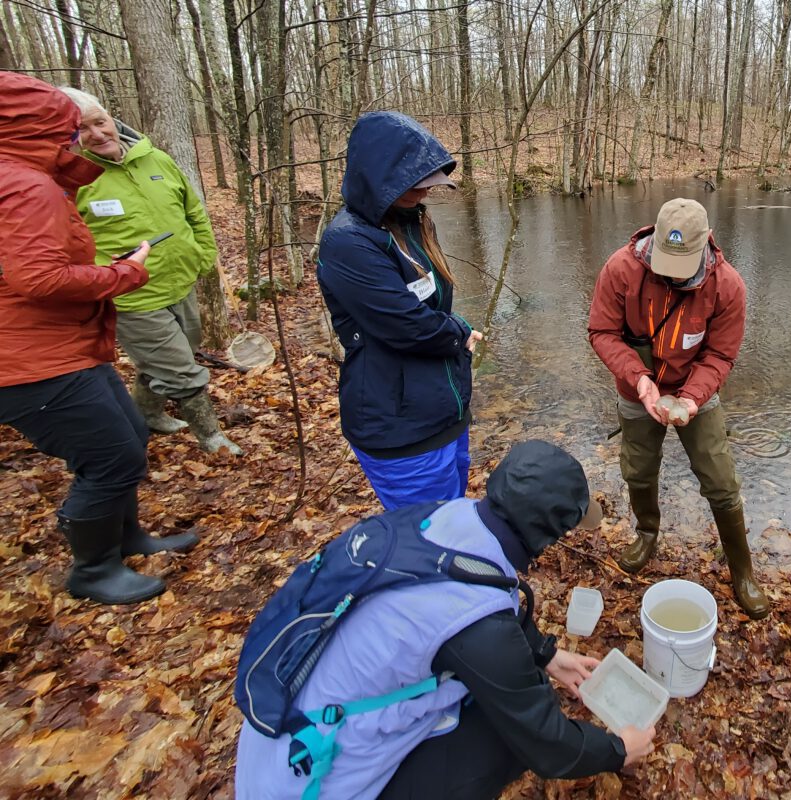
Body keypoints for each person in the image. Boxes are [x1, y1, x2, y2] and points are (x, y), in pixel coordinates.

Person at [235, 439, 656, 799]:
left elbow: (488, 600)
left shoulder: (443, 519)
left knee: (491, 693)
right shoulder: (480, 628)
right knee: (506, 739)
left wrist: (547, 657)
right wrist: (618, 748)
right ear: (547, 534)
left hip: (278, 728)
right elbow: (547, 744)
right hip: (309, 778)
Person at [0, 73, 196, 606]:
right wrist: (122, 275)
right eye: (69, 133)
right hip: (31, 361)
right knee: (111, 458)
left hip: (59, 347)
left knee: (130, 434)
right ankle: (92, 568)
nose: (78, 142)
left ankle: (126, 536)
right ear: (37, 132)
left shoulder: (30, 178)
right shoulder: (26, 186)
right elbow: (37, 280)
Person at [587, 198, 769, 619]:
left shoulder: (728, 286)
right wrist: (639, 379)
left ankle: (742, 570)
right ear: (653, 236)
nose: (670, 273)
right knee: (637, 468)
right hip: (638, 390)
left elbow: (721, 357)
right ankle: (647, 533)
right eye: (666, 261)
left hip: (696, 394)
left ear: (706, 243)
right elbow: (601, 330)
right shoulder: (621, 269)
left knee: (720, 479)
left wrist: (691, 398)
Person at [58, 87, 241, 455]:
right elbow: (66, 244)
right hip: (131, 296)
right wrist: (104, 276)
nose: (97, 134)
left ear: (111, 118)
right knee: (180, 370)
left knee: (177, 356)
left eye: (100, 122)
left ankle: (147, 415)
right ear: (71, 138)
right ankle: (211, 438)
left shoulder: (154, 158)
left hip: (180, 283)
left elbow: (193, 211)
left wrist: (203, 254)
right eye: (83, 130)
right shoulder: (69, 179)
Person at [317, 112, 481, 511]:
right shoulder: (348, 243)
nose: (425, 193)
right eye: (416, 185)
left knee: (453, 514)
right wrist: (459, 332)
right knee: (426, 539)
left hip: (442, 409)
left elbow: (432, 305)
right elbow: (409, 325)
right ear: (379, 179)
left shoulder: (412, 222)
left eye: (429, 185)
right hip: (401, 427)